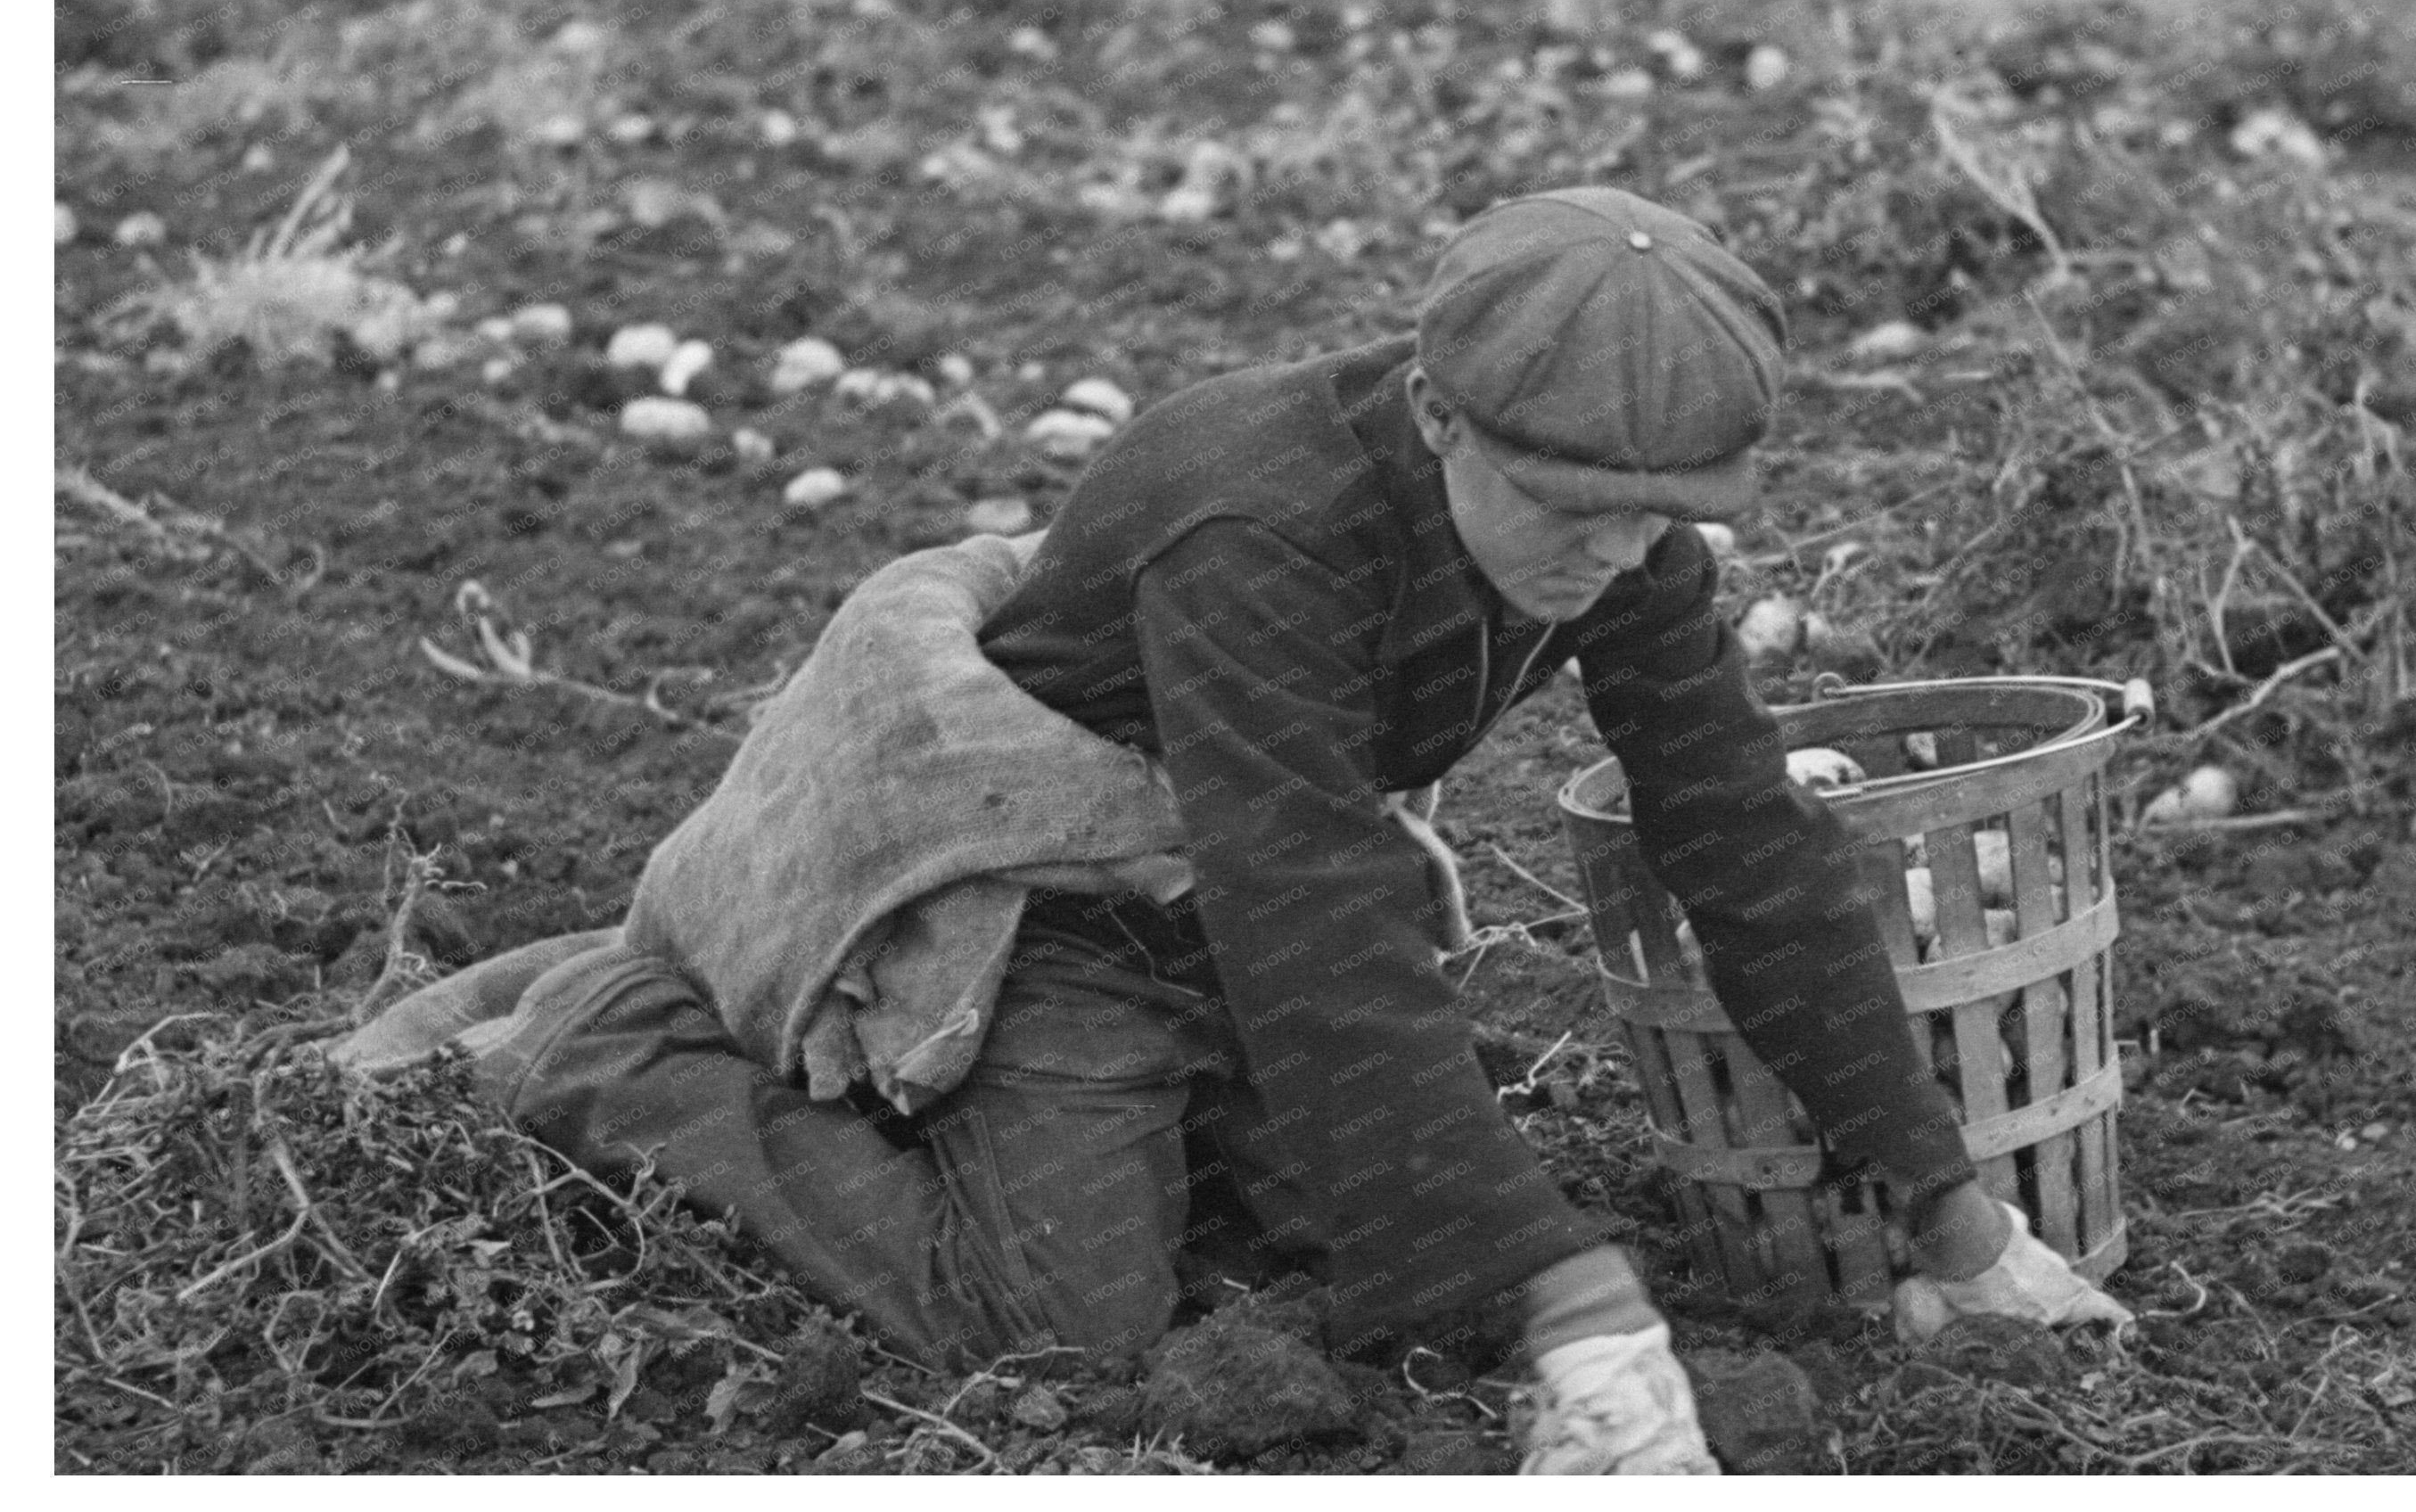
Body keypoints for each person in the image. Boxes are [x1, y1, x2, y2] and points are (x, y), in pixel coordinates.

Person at [337, 185, 2127, 1474]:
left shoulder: (1622, 537)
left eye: (1655, 523)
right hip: (1034, 869)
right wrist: (1575, 1299)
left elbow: (1736, 835)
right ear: (1439, 415)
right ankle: (616, 1036)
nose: (1609, 557)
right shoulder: (1260, 523)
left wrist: (1952, 1216)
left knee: (1364, 1272)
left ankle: (1164, 1114)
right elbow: (1326, 928)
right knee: (1064, 1327)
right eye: (1573, 510)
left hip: (1213, 869)